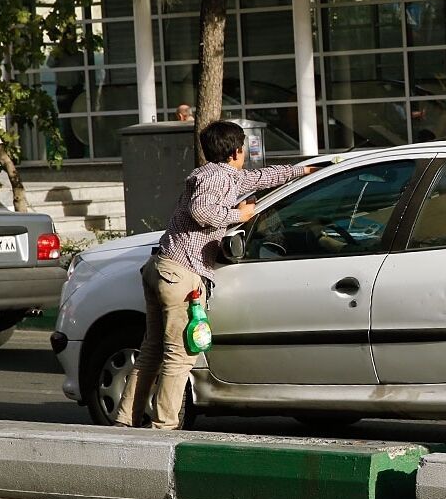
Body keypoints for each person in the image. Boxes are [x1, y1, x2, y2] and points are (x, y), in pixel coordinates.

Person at [112, 120, 315, 429]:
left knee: (152, 349)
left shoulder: (223, 175)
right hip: (182, 272)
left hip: (162, 267)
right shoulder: (217, 179)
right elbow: (201, 211)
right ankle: (163, 427)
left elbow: (263, 177)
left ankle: (125, 419)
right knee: (180, 356)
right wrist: (241, 215)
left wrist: (303, 171)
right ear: (237, 150)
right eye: (244, 147)